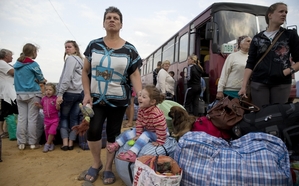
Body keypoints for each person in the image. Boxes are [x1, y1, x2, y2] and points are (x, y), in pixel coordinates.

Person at [80, 6, 142, 185]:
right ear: (103, 23)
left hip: (119, 100)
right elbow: (85, 71)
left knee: (114, 134)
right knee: (93, 130)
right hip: (96, 99)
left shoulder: (130, 49)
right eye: (109, 18)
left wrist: (141, 96)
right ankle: (96, 162)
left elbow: (135, 75)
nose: (112, 20)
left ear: (121, 24)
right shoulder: (94, 45)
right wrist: (86, 94)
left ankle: (108, 166)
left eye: (115, 18)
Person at [238, 2, 299, 107]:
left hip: (281, 83)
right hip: (259, 83)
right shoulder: (257, 38)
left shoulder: (290, 35)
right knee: (262, 115)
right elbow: (250, 63)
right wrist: (243, 86)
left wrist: (286, 72)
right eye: (281, 11)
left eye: (286, 12)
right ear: (270, 15)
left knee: (278, 115)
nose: (284, 14)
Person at [107, 85, 167, 162]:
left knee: (145, 135)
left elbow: (161, 127)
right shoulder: (141, 109)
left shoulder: (156, 113)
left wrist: (160, 141)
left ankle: (132, 153)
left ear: (152, 102)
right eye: (140, 95)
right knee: (131, 132)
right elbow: (139, 123)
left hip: (158, 133)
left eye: (144, 97)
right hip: (148, 129)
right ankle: (117, 144)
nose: (140, 98)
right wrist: (138, 134)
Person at [14, 43, 47, 150]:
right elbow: (41, 78)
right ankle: (33, 143)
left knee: (22, 118)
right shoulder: (33, 64)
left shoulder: (17, 64)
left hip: (19, 93)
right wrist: (42, 81)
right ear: (33, 52)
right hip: (33, 93)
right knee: (32, 119)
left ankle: (21, 143)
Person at [56, 40, 84, 151]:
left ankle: (65, 142)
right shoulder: (82, 61)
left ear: (75, 49)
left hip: (69, 93)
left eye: (69, 47)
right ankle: (72, 142)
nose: (67, 49)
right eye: (66, 47)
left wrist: (60, 93)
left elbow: (66, 78)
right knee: (74, 118)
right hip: (79, 93)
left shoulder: (71, 59)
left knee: (64, 117)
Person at [35, 83, 59, 153]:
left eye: (50, 90)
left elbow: (58, 109)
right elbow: (43, 107)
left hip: (54, 119)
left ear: (54, 91)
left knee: (52, 132)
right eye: (46, 90)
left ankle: (47, 144)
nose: (48, 91)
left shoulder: (55, 99)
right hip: (46, 120)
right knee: (47, 133)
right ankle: (51, 144)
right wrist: (38, 105)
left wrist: (57, 104)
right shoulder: (43, 99)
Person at [0, 49, 18, 138]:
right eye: (10, 55)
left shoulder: (5, 64)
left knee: (8, 113)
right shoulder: (2, 63)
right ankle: (13, 133)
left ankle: (9, 132)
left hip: (8, 92)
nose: (12, 57)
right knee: (9, 113)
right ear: (6, 56)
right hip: (8, 93)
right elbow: (13, 72)